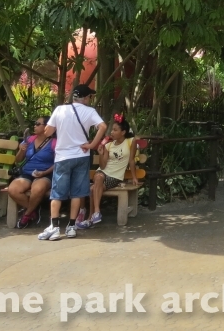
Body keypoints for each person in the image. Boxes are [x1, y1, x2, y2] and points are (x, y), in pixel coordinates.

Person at [38, 84, 106, 241]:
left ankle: (54, 228)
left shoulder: (60, 110)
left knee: (57, 193)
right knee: (77, 192)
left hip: (63, 157)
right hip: (82, 155)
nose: (90, 99)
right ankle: (71, 227)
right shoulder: (90, 112)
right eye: (90, 96)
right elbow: (103, 126)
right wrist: (92, 145)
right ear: (85, 97)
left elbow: (47, 131)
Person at [87, 114, 138, 226]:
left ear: (123, 132)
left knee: (92, 189)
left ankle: (91, 217)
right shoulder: (108, 145)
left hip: (115, 177)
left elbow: (132, 160)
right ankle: (96, 212)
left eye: (115, 130)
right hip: (103, 172)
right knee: (99, 176)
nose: (112, 132)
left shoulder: (131, 142)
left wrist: (134, 177)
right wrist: (100, 154)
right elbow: (103, 166)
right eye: (112, 130)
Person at [9, 116, 55, 229]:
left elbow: (58, 163)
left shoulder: (54, 142)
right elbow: (18, 160)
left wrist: (44, 173)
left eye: (38, 124)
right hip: (27, 172)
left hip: (45, 173)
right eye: (35, 123)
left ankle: (27, 214)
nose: (35, 126)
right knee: (13, 189)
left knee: (37, 189)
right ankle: (33, 209)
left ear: (47, 127)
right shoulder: (29, 140)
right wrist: (21, 150)